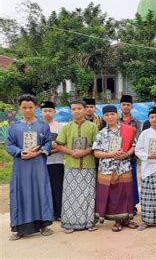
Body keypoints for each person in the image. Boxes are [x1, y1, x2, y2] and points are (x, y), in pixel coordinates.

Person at [7, 94, 53, 241]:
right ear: (20, 108)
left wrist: (39, 152)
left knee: (41, 191)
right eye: (24, 107)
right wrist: (21, 152)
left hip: (38, 164)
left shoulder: (43, 126)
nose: (27, 110)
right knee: (20, 193)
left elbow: (48, 143)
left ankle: (44, 224)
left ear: (36, 108)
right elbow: (9, 145)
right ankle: (19, 228)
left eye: (30, 107)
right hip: (21, 166)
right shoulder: (14, 127)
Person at [93, 105, 138, 232]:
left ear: (117, 115)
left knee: (126, 193)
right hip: (107, 168)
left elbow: (133, 146)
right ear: (103, 117)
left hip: (124, 167)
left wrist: (127, 154)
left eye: (112, 114)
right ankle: (117, 220)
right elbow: (96, 153)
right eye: (107, 115)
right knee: (113, 195)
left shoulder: (127, 129)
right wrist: (111, 154)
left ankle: (127, 219)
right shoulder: (101, 133)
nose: (110, 117)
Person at [55, 100, 98, 233]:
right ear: (71, 111)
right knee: (70, 195)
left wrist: (84, 152)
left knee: (88, 195)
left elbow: (96, 145)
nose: (77, 111)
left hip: (88, 165)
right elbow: (58, 144)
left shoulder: (93, 127)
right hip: (71, 165)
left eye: (79, 108)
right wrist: (72, 152)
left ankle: (89, 222)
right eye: (73, 109)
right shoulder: (66, 127)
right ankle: (70, 223)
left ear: (85, 110)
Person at [41, 101, 64, 221]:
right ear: (41, 112)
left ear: (54, 112)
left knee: (57, 187)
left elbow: (62, 144)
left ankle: (59, 213)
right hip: (41, 162)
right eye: (45, 111)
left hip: (57, 162)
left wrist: (47, 150)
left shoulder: (60, 127)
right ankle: (47, 213)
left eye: (50, 111)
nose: (48, 113)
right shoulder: (38, 126)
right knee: (45, 188)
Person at [119, 94, 142, 214]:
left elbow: (138, 139)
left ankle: (132, 205)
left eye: (128, 104)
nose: (126, 107)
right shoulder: (115, 121)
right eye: (124, 104)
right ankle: (121, 205)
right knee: (119, 182)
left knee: (132, 181)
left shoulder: (136, 122)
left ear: (131, 106)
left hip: (131, 156)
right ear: (120, 106)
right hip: (117, 157)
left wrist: (129, 152)